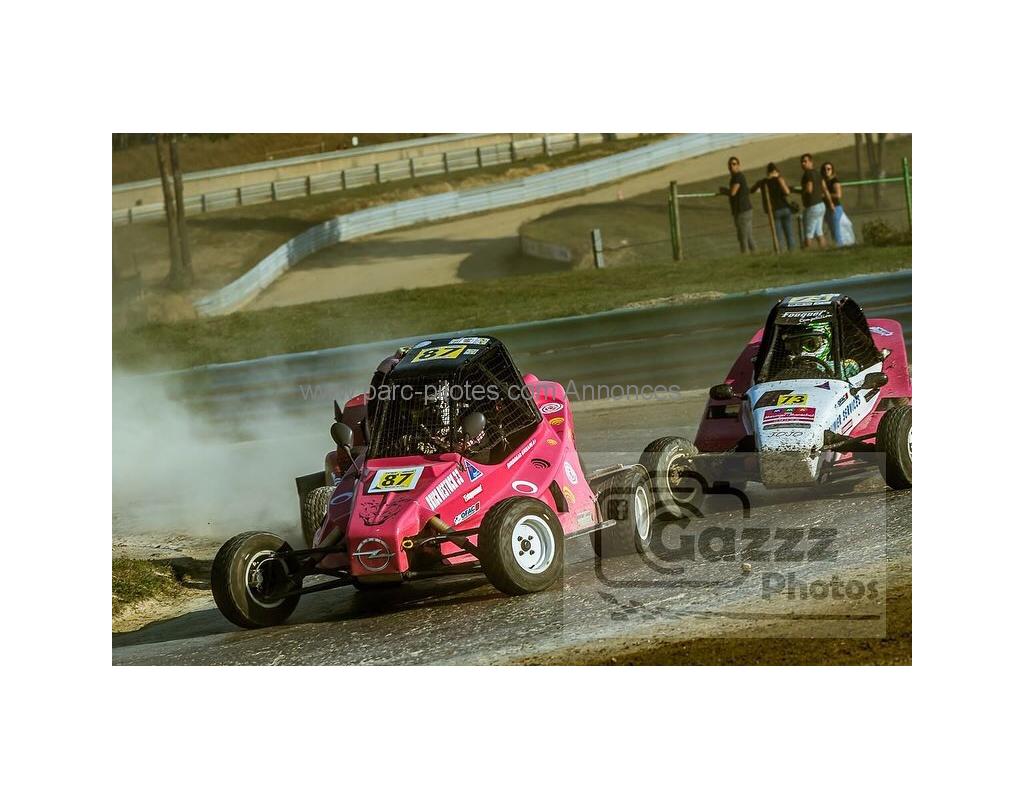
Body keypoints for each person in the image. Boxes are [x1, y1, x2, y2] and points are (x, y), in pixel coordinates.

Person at [751, 162, 795, 251]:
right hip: (785, 208)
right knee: (789, 233)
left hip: (774, 210)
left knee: (778, 235)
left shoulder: (763, 182)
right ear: (776, 171)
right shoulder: (779, 179)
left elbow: (752, 190)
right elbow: (787, 192)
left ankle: (780, 252)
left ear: (767, 172)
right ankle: (792, 252)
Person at [719, 156, 756, 253]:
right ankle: (756, 254)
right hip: (745, 210)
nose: (732, 166)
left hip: (742, 211)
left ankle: (745, 256)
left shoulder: (738, 177)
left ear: (738, 165)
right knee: (748, 236)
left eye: (734, 164)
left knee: (742, 237)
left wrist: (724, 191)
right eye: (730, 164)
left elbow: (733, 192)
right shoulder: (736, 177)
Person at [799, 153, 827, 248]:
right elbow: (824, 188)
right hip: (821, 205)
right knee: (819, 232)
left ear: (811, 162)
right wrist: (830, 203)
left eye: (805, 161)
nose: (803, 163)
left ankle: (807, 253)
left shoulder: (807, 174)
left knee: (808, 233)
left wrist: (802, 192)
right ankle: (824, 250)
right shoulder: (818, 173)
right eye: (802, 162)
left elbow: (809, 189)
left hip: (812, 206)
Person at [821, 161, 844, 243]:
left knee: (836, 231)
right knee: (832, 231)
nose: (826, 171)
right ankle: (836, 246)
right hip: (827, 208)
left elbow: (838, 195)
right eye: (824, 169)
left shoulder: (835, 181)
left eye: (828, 169)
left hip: (835, 208)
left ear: (832, 170)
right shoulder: (823, 182)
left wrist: (825, 195)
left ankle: (839, 246)